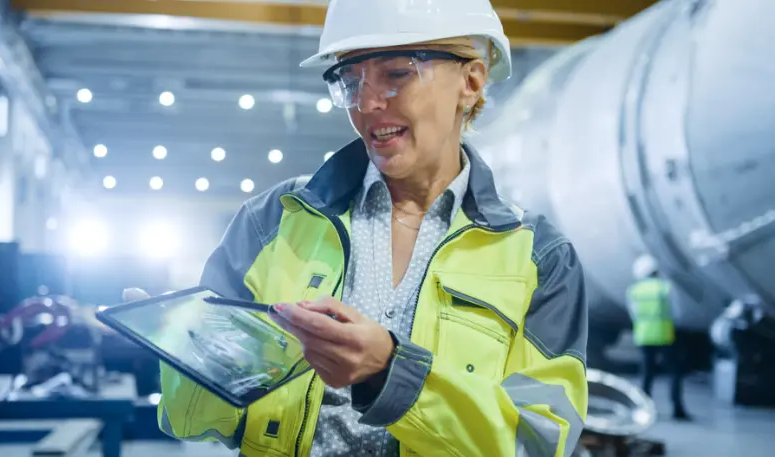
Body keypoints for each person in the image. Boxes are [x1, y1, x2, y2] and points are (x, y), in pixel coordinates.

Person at [128, 0, 589, 455]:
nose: (366, 103)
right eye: (350, 81)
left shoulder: (538, 257)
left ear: (470, 82)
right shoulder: (274, 221)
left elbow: (540, 443)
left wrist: (391, 373)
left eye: (396, 74)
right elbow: (192, 423)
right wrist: (190, 355)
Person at [626, 254, 690, 420]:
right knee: (674, 373)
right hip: (665, 335)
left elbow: (633, 314)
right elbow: (678, 313)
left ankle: (645, 408)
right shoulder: (665, 288)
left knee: (647, 374)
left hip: (644, 336)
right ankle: (678, 409)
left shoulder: (634, 291)